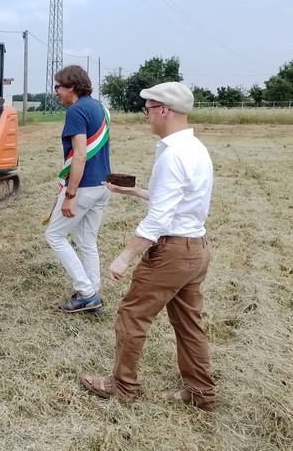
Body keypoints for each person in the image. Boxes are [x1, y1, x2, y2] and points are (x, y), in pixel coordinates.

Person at [80, 81, 217, 411]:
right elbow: (176, 201)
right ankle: (202, 394)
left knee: (131, 316)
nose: (147, 117)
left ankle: (122, 387)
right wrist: (134, 192)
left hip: (170, 253)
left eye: (149, 110)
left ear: (165, 111)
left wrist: (125, 256)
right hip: (195, 249)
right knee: (189, 325)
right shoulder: (195, 148)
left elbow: (158, 220)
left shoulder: (173, 156)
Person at [45, 65, 111, 315]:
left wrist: (70, 195)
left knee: (54, 236)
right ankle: (92, 293)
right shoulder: (101, 108)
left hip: (84, 187)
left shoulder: (76, 111)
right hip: (103, 185)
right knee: (87, 241)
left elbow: (80, 155)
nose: (56, 92)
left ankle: (85, 292)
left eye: (58, 87)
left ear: (72, 87)